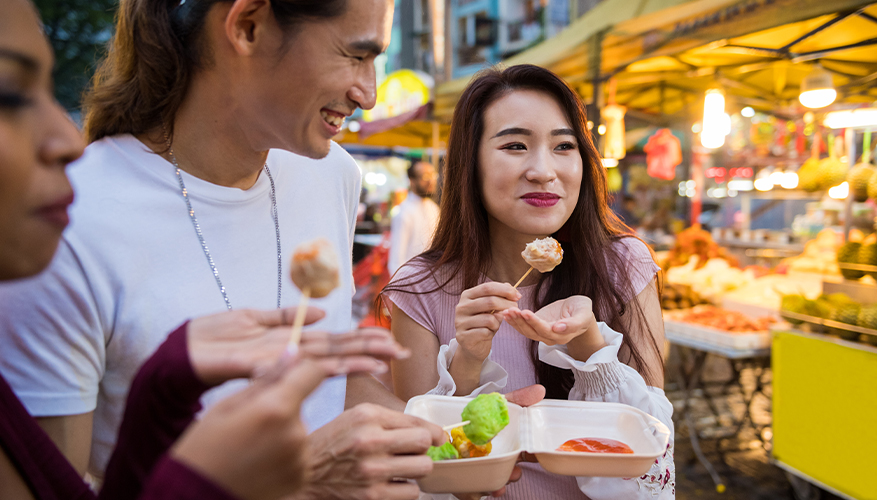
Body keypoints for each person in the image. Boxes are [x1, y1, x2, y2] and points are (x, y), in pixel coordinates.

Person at [0, 1, 448, 498]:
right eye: (354, 55)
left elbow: (325, 389)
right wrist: (300, 478)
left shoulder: (332, 173)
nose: (368, 94)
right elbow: (56, 481)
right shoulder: (59, 223)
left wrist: (453, 440)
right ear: (248, 26)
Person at [382, 65, 675, 499]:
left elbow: (653, 452)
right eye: (516, 145)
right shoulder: (419, 289)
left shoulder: (623, 265)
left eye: (563, 146)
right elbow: (426, 471)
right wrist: (466, 363)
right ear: (470, 162)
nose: (543, 170)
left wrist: (588, 346)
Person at [388, 161, 440, 275]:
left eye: (433, 175)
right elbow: (396, 258)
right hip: (410, 281)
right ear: (412, 181)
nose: (431, 181)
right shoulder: (404, 212)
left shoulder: (434, 209)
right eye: (425, 176)